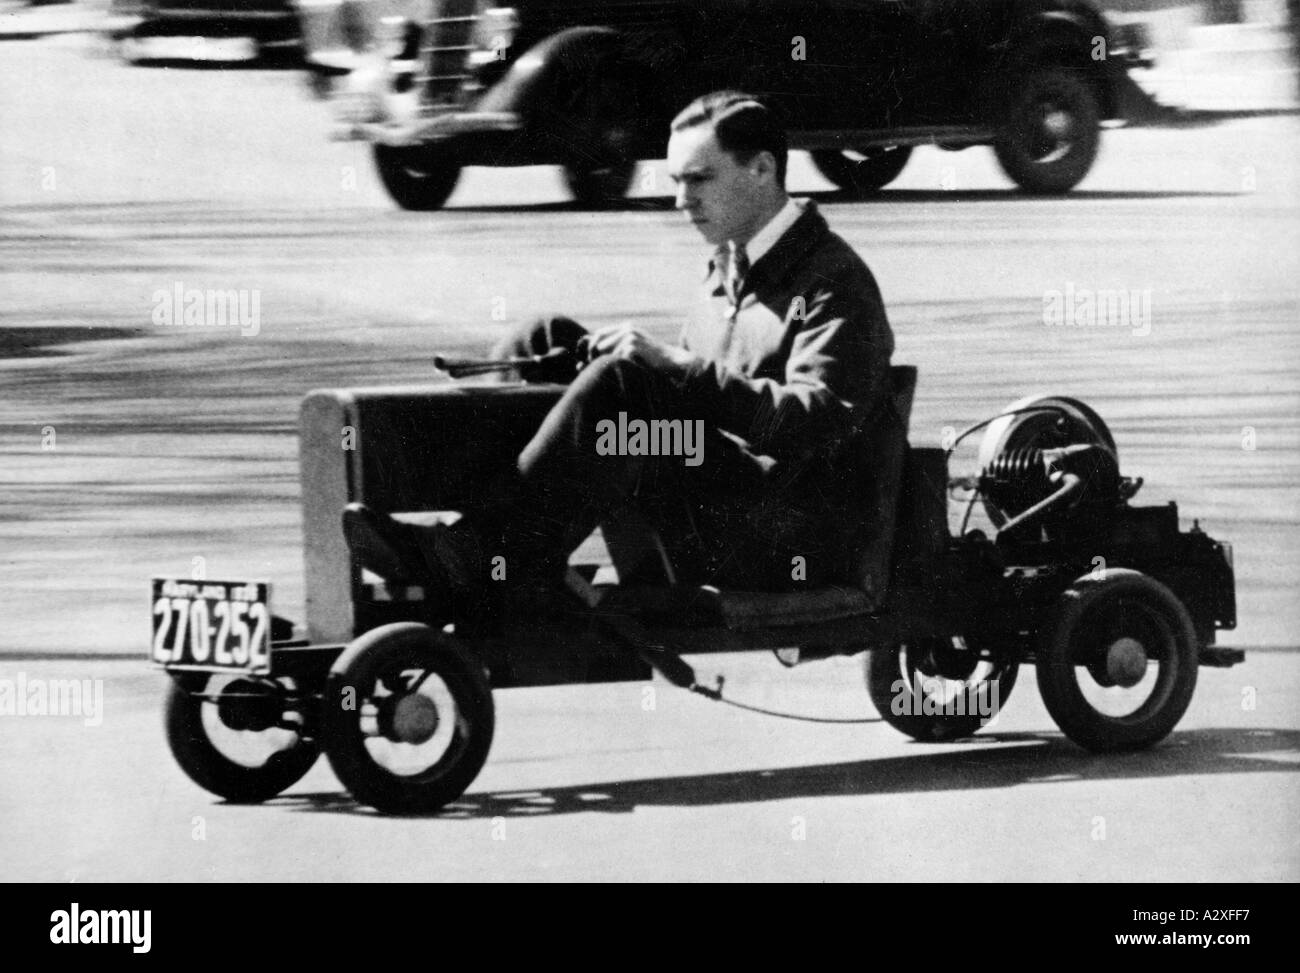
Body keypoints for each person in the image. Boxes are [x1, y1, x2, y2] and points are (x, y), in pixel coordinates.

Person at [343, 90, 896, 619]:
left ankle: (485, 558)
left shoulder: (832, 280)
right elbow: (695, 412)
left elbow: (822, 424)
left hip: (779, 537)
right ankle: (479, 540)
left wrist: (674, 369)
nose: (682, 200)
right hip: (713, 501)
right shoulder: (729, 266)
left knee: (625, 387)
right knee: (546, 340)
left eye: (700, 179)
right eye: (677, 180)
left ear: (762, 170)